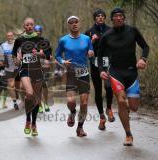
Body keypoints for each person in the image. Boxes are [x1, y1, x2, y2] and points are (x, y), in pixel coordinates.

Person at [98, 8, 149, 146]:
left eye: (121, 16)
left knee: (133, 107)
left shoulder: (132, 31)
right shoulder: (107, 36)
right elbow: (100, 55)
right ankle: (128, 135)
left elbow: (145, 46)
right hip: (115, 72)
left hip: (131, 72)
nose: (119, 18)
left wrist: (143, 59)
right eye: (116, 16)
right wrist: (101, 70)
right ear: (112, 19)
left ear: (124, 18)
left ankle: (125, 109)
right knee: (121, 101)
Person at [55, 16, 94, 137]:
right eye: (71, 23)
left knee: (84, 103)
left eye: (76, 22)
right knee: (71, 101)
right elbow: (57, 55)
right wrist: (63, 61)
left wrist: (91, 53)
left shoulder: (87, 39)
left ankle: (80, 128)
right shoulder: (63, 40)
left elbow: (91, 52)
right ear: (69, 25)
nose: (74, 24)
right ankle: (72, 112)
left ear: (79, 23)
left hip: (84, 74)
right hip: (70, 74)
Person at [12, 17, 51, 136]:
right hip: (25, 70)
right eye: (27, 25)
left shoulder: (41, 39)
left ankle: (33, 123)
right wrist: (16, 59)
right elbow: (14, 52)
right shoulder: (20, 40)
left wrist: (40, 54)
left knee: (36, 99)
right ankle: (28, 119)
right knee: (29, 93)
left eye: (31, 25)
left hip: (37, 70)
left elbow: (48, 55)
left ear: (34, 26)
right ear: (24, 27)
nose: (29, 26)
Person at [85, 9, 114, 131]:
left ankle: (109, 108)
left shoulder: (110, 30)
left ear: (105, 18)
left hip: (108, 62)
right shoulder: (89, 32)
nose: (100, 17)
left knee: (108, 86)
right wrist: (91, 41)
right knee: (97, 90)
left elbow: (115, 45)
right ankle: (102, 116)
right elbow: (85, 49)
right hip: (95, 63)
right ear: (95, 18)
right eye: (98, 16)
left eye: (102, 16)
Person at [34, 25, 51, 113]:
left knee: (44, 84)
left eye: (39, 31)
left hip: (44, 64)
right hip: (35, 65)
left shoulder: (45, 41)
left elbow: (49, 52)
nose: (38, 33)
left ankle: (46, 103)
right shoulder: (31, 42)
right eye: (36, 31)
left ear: (41, 32)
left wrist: (47, 58)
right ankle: (39, 105)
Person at [1, 31, 19, 110]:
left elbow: (22, 53)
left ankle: (25, 101)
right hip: (8, 68)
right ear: (6, 37)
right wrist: (2, 61)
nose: (10, 37)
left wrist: (18, 59)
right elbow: (0, 55)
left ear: (13, 36)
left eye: (11, 35)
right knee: (10, 86)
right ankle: (15, 102)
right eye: (8, 36)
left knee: (20, 86)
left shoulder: (18, 44)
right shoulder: (3, 45)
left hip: (18, 67)